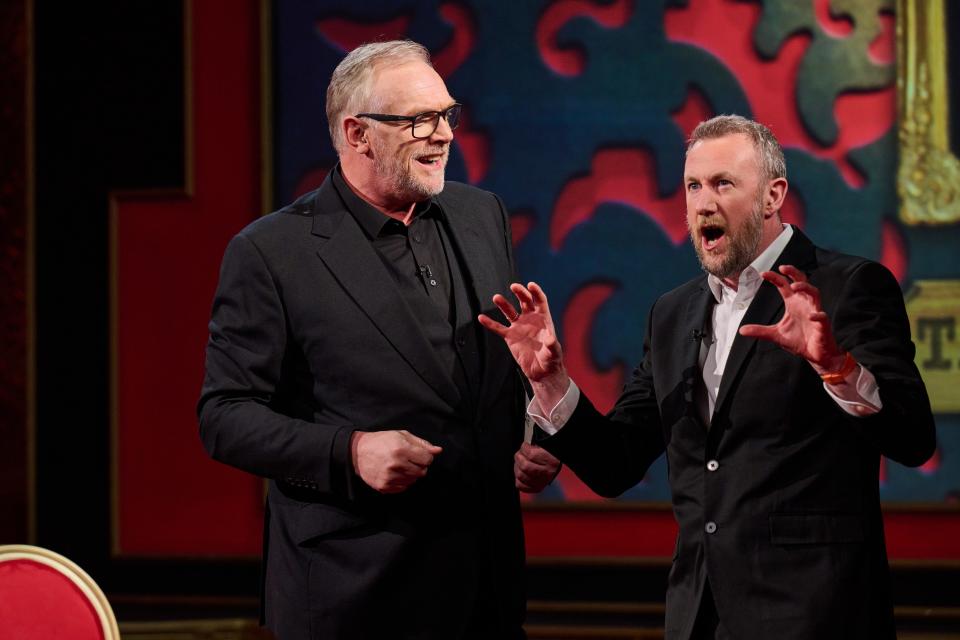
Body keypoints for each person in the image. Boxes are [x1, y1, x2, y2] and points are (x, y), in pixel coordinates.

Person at [482, 115, 936, 640]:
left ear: (772, 195)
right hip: (699, 615)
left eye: (723, 183)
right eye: (694, 185)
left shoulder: (847, 288)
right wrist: (552, 383)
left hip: (814, 612)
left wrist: (835, 366)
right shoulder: (672, 313)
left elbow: (913, 437)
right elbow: (616, 463)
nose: (703, 202)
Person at [198, 40, 558, 640]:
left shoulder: (481, 215)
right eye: (418, 120)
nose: (442, 135)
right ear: (357, 133)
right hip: (354, 593)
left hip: (486, 589)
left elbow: (482, 380)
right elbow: (223, 416)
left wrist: (530, 432)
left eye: (447, 115)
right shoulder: (271, 252)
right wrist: (349, 452)